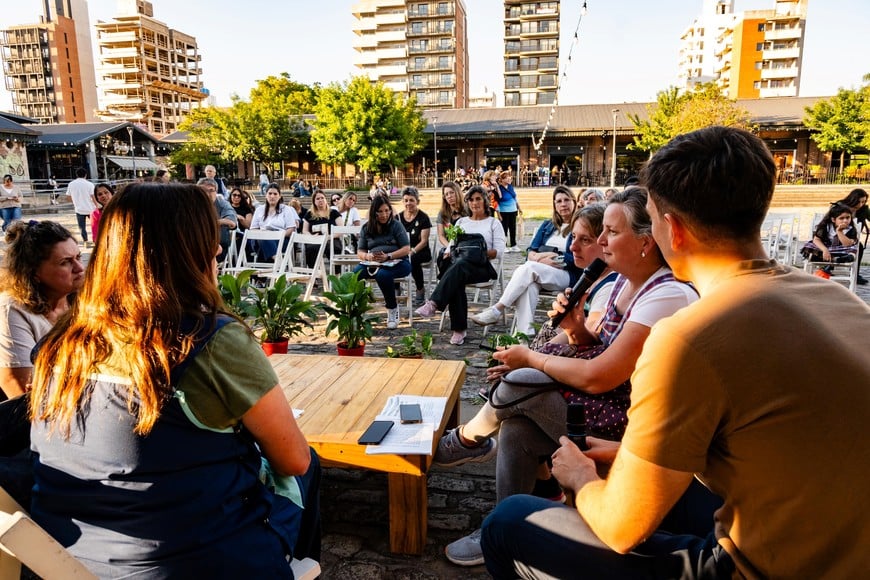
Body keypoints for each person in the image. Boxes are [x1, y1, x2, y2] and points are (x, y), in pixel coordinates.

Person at [481, 126, 870, 579]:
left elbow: (620, 527)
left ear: (674, 230)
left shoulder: (690, 335)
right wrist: (630, 453)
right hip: (843, 547)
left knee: (506, 525)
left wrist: (581, 478)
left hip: (763, 566)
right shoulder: (840, 300)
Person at [28, 182, 321, 577]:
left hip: (72, 559)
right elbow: (293, 459)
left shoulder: (63, 340)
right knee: (308, 466)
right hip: (192, 560)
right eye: (209, 239)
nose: (218, 248)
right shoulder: (210, 340)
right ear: (188, 251)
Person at [437, 188, 698, 566]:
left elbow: (600, 376)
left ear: (645, 242)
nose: (602, 241)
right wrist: (575, 328)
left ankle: (467, 438)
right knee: (518, 428)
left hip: (629, 427)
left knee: (521, 382)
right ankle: (505, 525)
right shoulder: (625, 281)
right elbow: (596, 349)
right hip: (603, 405)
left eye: (611, 232)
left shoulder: (667, 295)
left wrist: (532, 357)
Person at [471, 185, 581, 336]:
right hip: (539, 271)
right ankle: (523, 336)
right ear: (554, 205)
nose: (563, 204)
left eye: (566, 200)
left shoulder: (579, 226)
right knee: (529, 286)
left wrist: (555, 257)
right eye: (558, 201)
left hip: (566, 275)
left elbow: (578, 258)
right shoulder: (547, 225)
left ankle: (497, 309)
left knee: (528, 268)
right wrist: (541, 258)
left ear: (574, 202)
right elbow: (530, 250)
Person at [0, 221, 84, 400]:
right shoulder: (11, 311)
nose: (79, 268)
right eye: (65, 262)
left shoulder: (82, 300)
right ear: (34, 272)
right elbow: (23, 394)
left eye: (78, 257)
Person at [415, 186, 505, 346]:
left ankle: (435, 305)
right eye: (471, 199)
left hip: (481, 267)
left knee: (458, 267)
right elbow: (451, 245)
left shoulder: (494, 223)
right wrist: (448, 252)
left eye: (478, 199)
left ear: (484, 200)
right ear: (467, 203)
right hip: (460, 266)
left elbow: (499, 251)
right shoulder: (462, 222)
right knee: (457, 273)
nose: (474, 202)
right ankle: (458, 329)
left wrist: (477, 253)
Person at [354, 196, 411, 330]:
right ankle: (356, 309)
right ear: (374, 212)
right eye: (380, 211)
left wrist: (389, 256)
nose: (384, 214)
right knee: (355, 274)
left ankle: (392, 308)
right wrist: (368, 256)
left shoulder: (396, 225)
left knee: (383, 275)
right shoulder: (366, 228)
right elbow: (360, 251)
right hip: (373, 262)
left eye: (387, 211)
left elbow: (406, 249)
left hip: (398, 261)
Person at [397, 186, 432, 307]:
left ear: (417, 201)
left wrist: (412, 252)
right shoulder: (398, 218)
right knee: (393, 258)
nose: (408, 203)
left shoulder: (424, 217)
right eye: (406, 200)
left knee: (413, 260)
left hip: (420, 250)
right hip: (403, 249)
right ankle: (396, 288)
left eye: (411, 200)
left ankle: (420, 289)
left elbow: (424, 241)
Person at [799, 201, 858, 271]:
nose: (845, 220)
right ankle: (834, 259)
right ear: (833, 219)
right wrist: (825, 250)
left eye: (848, 217)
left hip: (841, 249)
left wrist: (840, 232)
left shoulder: (851, 229)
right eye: (841, 218)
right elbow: (816, 239)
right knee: (809, 247)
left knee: (852, 251)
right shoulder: (826, 226)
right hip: (826, 247)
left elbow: (847, 244)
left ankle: (836, 259)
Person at [250, 183, 297, 261]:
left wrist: (277, 235)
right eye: (270, 193)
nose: (272, 196)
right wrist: (263, 233)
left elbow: (291, 228)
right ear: (266, 195)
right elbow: (253, 229)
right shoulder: (259, 210)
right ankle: (277, 259)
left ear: (279, 196)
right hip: (260, 239)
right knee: (263, 238)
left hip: (281, 239)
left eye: (275, 194)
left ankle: (264, 268)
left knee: (263, 248)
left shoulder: (286, 209)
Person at [198, 177, 238, 262]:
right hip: (196, 244)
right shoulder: (192, 205)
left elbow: (231, 221)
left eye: (211, 190)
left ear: (216, 192)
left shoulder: (222, 204)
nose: (207, 194)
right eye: (204, 190)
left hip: (218, 245)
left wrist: (213, 223)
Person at [834, 187, 869, 284]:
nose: (861, 204)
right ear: (853, 199)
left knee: (860, 247)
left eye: (863, 202)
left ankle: (855, 274)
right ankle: (829, 266)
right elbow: (830, 219)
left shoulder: (863, 209)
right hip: (836, 233)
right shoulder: (839, 205)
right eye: (859, 202)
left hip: (851, 236)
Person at [303, 189, 344, 268]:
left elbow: (341, 229)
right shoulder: (309, 214)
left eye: (322, 198)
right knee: (312, 249)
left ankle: (336, 274)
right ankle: (315, 274)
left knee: (334, 248)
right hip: (315, 240)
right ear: (314, 201)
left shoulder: (333, 213)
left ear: (326, 199)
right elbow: (305, 230)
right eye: (317, 199)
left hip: (331, 238)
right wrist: (311, 237)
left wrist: (329, 236)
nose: (320, 200)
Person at [435, 181, 469, 251]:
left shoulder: (468, 210)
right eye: (446, 194)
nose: (449, 196)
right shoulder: (442, 213)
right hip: (450, 248)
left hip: (467, 247)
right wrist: (450, 248)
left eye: (452, 192)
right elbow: (441, 236)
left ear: (457, 193)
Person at [66, 167, 96, 245]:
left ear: (76, 175)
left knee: (82, 227)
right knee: (94, 225)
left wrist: (76, 202)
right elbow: (93, 197)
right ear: (85, 175)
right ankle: (95, 239)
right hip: (91, 208)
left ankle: (85, 241)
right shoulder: (90, 184)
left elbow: (68, 198)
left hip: (79, 209)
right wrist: (97, 205)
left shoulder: (71, 184)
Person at [495, 170, 522, 252]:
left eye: (509, 177)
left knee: (513, 228)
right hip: (504, 211)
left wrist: (519, 208)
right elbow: (496, 202)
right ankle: (504, 246)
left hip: (513, 210)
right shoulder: (499, 189)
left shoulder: (510, 187)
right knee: (504, 229)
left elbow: (515, 198)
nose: (509, 179)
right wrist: (498, 214)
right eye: (507, 177)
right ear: (502, 180)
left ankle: (513, 244)